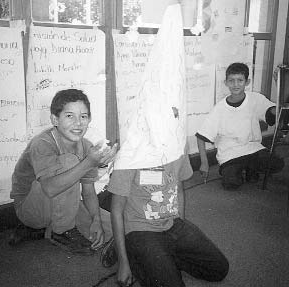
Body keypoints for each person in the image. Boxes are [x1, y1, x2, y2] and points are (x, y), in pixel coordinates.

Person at [9, 89, 117, 254]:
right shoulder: (42, 143)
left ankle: (48, 228)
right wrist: (89, 162)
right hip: (31, 207)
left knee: (111, 226)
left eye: (83, 116)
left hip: (62, 204)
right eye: (69, 116)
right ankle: (60, 231)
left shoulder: (87, 146)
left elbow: (88, 192)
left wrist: (95, 220)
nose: (78, 123)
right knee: (69, 162)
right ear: (55, 119)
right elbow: (50, 188)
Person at [104, 154, 229, 287]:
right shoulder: (129, 155)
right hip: (140, 230)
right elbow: (116, 210)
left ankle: (162, 259)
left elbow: (179, 189)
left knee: (219, 269)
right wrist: (124, 263)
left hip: (172, 223)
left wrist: (181, 227)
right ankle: (132, 254)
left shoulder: (177, 148)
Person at [196, 62, 284, 190]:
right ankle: (242, 170)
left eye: (240, 80)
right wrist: (204, 163)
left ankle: (250, 169)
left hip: (252, 148)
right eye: (231, 81)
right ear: (226, 82)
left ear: (247, 82)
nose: (236, 84)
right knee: (231, 184)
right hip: (230, 153)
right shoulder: (219, 108)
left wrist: (279, 87)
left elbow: (274, 112)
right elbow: (201, 136)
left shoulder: (255, 99)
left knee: (277, 164)